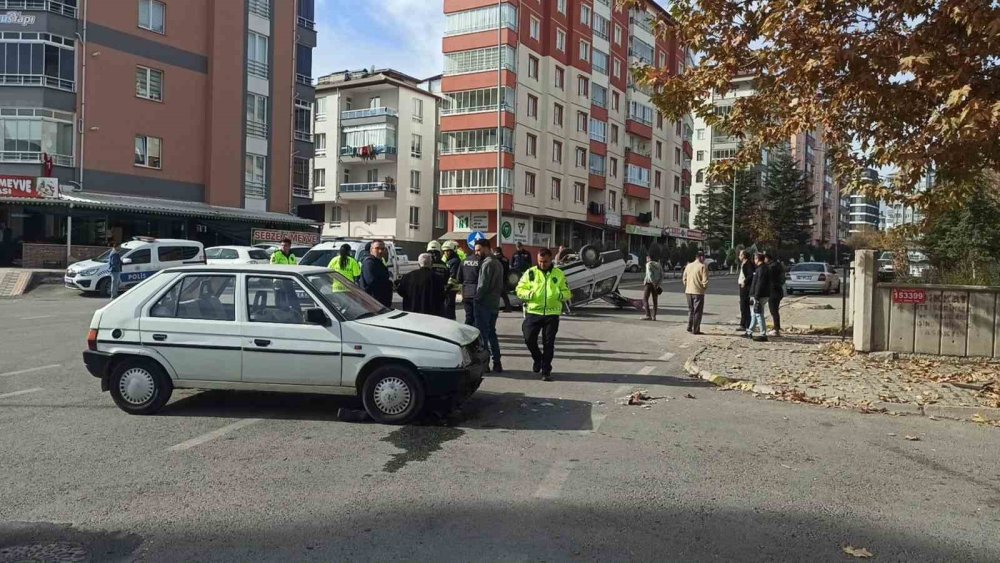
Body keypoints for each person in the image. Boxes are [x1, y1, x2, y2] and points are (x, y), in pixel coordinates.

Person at [516, 248, 571, 381]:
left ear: (551, 259)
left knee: (548, 343)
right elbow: (519, 289)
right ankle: (537, 359)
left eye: (545, 262)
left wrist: (559, 295)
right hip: (533, 312)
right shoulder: (530, 273)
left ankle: (546, 371)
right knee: (529, 338)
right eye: (540, 261)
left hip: (552, 314)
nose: (542, 264)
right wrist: (529, 295)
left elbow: (568, 293)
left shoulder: (559, 274)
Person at [474, 239, 505, 373]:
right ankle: (497, 362)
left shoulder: (487, 263)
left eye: (479, 250)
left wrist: (476, 299)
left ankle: (485, 364)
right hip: (494, 303)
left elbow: (483, 285)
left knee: (483, 335)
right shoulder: (498, 262)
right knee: (492, 333)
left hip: (484, 303)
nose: (477, 252)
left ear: (487, 248)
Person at [682, 250, 710, 334]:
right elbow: (705, 281)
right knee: (697, 311)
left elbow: (684, 278)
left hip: (688, 291)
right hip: (698, 292)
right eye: (704, 257)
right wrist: (703, 288)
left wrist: (687, 286)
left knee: (691, 310)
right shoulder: (702, 266)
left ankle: (689, 327)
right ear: (701, 257)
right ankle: (696, 329)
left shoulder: (688, 265)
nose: (704, 259)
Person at [360, 240, 393, 308]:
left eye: (382, 249)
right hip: (373, 303)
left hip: (381, 303)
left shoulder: (379, 262)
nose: (380, 251)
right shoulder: (369, 263)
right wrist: (389, 284)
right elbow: (372, 282)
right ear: (371, 250)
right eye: (377, 248)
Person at [746, 252, 771, 341]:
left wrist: (756, 296)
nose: (754, 260)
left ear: (757, 259)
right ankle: (749, 331)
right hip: (761, 294)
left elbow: (759, 284)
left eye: (755, 259)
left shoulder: (761, 269)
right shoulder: (762, 268)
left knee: (758, 314)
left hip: (760, 295)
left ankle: (763, 334)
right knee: (754, 314)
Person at [456, 243, 481, 326]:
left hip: (466, 293)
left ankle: (467, 333)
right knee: (477, 317)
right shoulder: (480, 262)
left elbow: (459, 279)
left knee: (469, 316)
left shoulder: (463, 262)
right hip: (477, 292)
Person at [764, 252, 785, 337]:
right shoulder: (777, 265)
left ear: (768, 258)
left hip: (773, 291)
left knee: (774, 311)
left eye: (764, 258)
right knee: (775, 310)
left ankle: (776, 329)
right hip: (778, 290)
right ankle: (776, 328)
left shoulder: (772, 267)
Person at [441, 241, 462, 320]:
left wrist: (446, 288)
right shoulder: (448, 260)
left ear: (453, 251)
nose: (446, 253)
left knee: (449, 308)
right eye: (445, 251)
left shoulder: (455, 261)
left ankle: (451, 322)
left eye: (448, 251)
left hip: (451, 289)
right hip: (447, 288)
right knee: (447, 308)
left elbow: (452, 276)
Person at [737, 250, 755, 332]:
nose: (739, 256)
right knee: (743, 305)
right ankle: (743, 324)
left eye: (740, 255)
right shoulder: (744, 264)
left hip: (745, 287)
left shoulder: (748, 264)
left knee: (744, 306)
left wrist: (745, 282)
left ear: (744, 255)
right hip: (742, 286)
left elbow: (750, 275)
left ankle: (747, 325)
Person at [492, 245, 513, 312]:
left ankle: (496, 308)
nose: (495, 253)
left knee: (497, 294)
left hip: (498, 279)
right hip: (504, 279)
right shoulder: (505, 259)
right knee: (503, 294)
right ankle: (508, 307)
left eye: (495, 252)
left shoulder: (497, 259)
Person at [642, 255, 663, 320]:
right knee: (655, 300)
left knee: (645, 299)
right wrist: (657, 284)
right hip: (656, 284)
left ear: (649, 258)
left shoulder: (648, 264)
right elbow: (662, 275)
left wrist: (653, 283)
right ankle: (654, 316)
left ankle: (648, 315)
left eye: (647, 258)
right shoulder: (659, 265)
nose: (646, 260)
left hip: (649, 284)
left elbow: (650, 274)